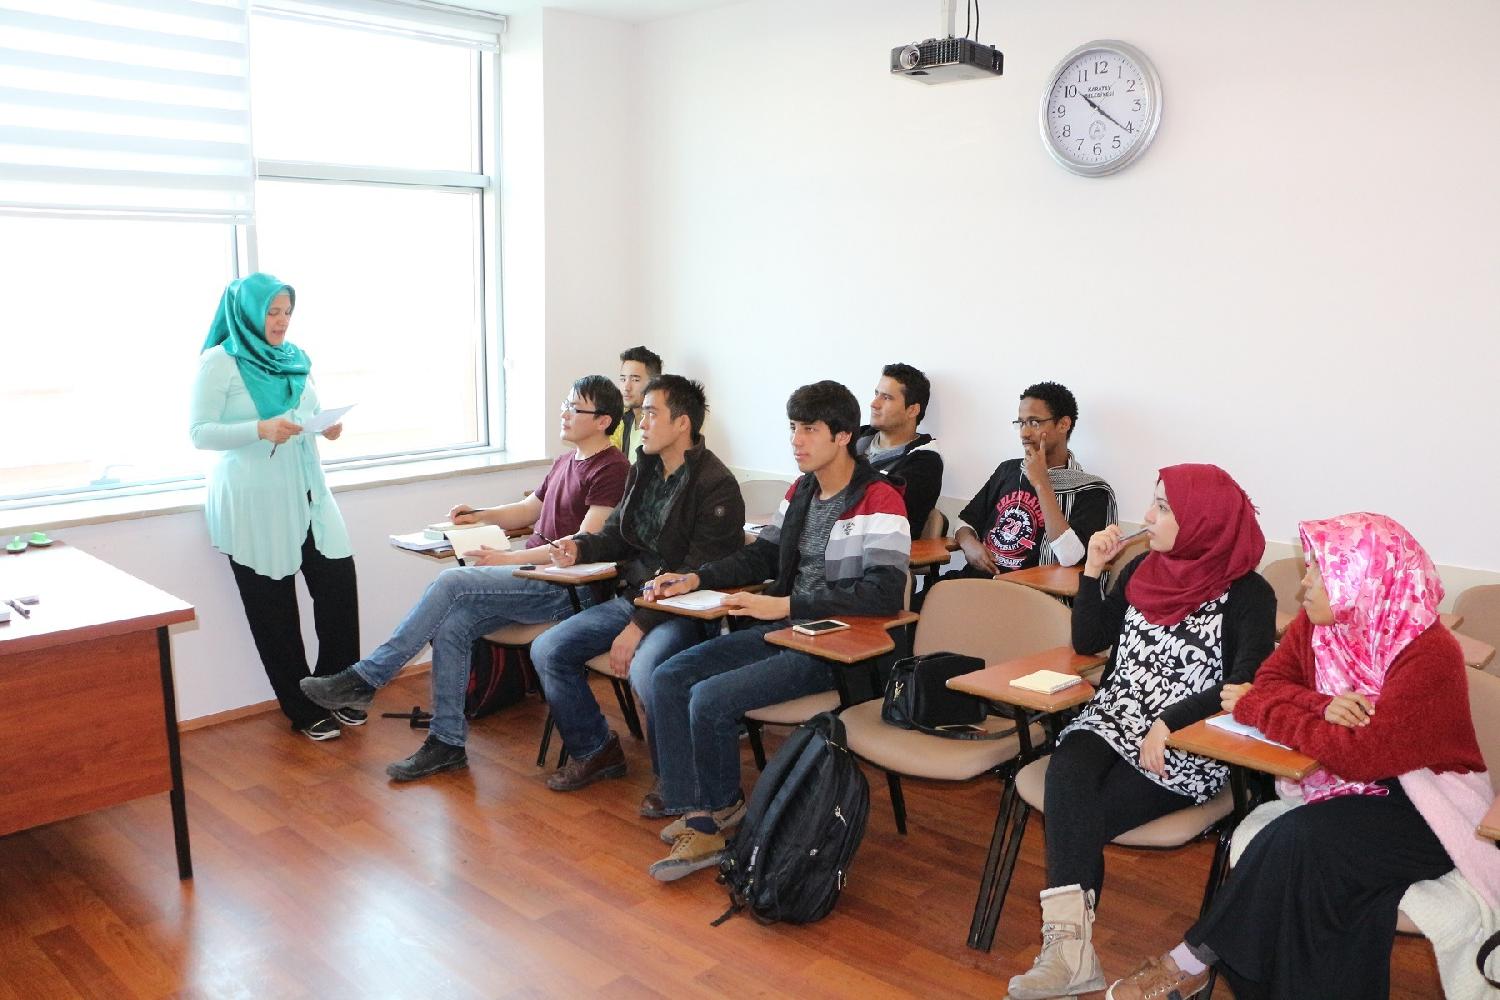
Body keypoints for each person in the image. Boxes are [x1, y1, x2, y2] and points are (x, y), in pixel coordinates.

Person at [1107, 513, 1500, 1000]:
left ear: (1361, 582)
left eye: (1319, 572)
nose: (1304, 585)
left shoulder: (1428, 653)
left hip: (1425, 806)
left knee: (1294, 841)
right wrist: (1319, 706)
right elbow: (1271, 682)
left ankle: (1192, 961)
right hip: (1345, 789)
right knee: (1310, 878)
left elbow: (1356, 755)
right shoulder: (1319, 629)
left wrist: (1259, 708)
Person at [1007, 464, 1276, 1000]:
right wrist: (1093, 570)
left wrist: (1169, 722)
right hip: (1113, 716)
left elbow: (1242, 686)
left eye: (1164, 507)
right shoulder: (1144, 568)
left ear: (1203, 520)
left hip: (1185, 740)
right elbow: (1088, 640)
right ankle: (1068, 953)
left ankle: (1069, 957)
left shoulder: (1249, 594)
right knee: (1068, 770)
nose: (1149, 516)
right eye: (1153, 503)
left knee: (1077, 814)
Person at [641, 380, 911, 881]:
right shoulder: (801, 490)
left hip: (836, 646)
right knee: (670, 676)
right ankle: (702, 808)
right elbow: (762, 555)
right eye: (792, 428)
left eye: (809, 430)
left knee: (710, 698)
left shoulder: (880, 499)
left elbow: (883, 593)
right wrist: (698, 577)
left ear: (843, 436)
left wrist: (786, 604)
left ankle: (712, 818)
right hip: (784, 627)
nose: (796, 441)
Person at [300, 376, 629, 780]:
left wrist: (510, 558)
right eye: (565, 404)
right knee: (452, 623)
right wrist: (479, 515)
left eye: (574, 408)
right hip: (533, 577)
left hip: (566, 588)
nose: (563, 413)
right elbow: (528, 510)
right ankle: (447, 743)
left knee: (450, 583)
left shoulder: (613, 468)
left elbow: (580, 544)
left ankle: (367, 678)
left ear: (603, 421)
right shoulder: (565, 461)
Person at [530, 375, 745, 793]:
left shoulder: (714, 484)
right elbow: (617, 535)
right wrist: (580, 547)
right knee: (548, 649)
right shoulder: (644, 469)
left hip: (684, 611)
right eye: (641, 414)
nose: (640, 423)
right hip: (636, 598)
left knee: (647, 671)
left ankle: (675, 781)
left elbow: (693, 572)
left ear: (682, 423)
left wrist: (638, 627)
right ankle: (596, 750)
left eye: (650, 414)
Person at [190, 273, 360, 742]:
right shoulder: (219, 362)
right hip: (253, 503)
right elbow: (199, 432)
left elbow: (306, 411)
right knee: (274, 611)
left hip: (308, 493)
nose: (282, 321)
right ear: (248, 313)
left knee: (338, 588)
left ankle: (335, 689)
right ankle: (301, 707)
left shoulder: (294, 357)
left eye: (287, 312)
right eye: (272, 312)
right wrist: (258, 429)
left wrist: (325, 427)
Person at [950, 381, 1114, 579]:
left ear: (1063, 424)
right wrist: (969, 544)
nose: (1024, 433)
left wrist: (1041, 482)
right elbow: (965, 521)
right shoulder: (1008, 470)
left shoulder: (1091, 491)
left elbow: (1070, 557)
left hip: (1027, 592)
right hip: (975, 581)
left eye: (1034, 423)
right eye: (1021, 423)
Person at [853, 362, 943, 535]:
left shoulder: (925, 462)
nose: (874, 404)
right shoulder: (853, 437)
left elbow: (882, 514)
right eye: (876, 394)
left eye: (886, 397)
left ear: (912, 410)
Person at [610, 345, 662, 462]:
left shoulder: (660, 425)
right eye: (623, 379)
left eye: (635, 380)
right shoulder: (624, 419)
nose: (626, 387)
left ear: (654, 383)